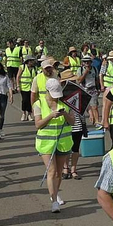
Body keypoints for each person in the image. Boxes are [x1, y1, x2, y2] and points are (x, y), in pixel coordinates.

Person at [33, 76, 73, 214]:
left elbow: (72, 121)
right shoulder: (39, 103)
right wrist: (51, 116)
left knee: (59, 173)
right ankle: (54, 200)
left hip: (63, 142)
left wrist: (65, 115)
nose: (56, 97)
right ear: (47, 91)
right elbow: (38, 124)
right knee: (52, 171)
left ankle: (55, 193)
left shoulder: (65, 103)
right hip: (46, 143)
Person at [61, 64, 97, 180]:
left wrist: (91, 113)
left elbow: (86, 104)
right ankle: (65, 168)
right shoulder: (60, 92)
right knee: (66, 147)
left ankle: (73, 169)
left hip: (77, 122)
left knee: (75, 147)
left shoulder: (79, 90)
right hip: (65, 122)